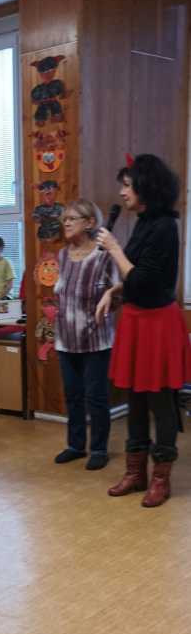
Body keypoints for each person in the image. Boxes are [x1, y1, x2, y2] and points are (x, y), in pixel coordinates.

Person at [96, 153, 191, 507]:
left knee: (161, 404)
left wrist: (114, 248)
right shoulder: (144, 222)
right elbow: (135, 278)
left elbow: (146, 280)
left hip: (158, 325)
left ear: (145, 186)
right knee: (135, 400)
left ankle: (160, 479)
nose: (122, 192)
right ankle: (135, 474)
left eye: (127, 185)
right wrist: (115, 292)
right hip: (136, 320)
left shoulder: (165, 226)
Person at [53, 199, 119, 470]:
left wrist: (110, 297)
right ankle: (76, 445)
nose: (66, 223)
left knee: (96, 397)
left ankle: (99, 448)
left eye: (72, 218)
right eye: (64, 219)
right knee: (73, 395)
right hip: (65, 340)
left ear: (90, 222)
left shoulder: (104, 256)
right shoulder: (62, 255)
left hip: (95, 340)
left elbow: (118, 294)